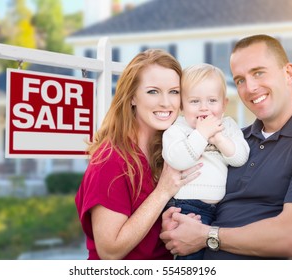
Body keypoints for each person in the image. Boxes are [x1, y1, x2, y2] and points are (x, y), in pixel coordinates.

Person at [160, 34, 292, 259]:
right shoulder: (235, 139)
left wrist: (206, 235)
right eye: (240, 80)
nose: (250, 87)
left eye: (259, 72)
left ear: (288, 73)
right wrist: (176, 222)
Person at [75, 49, 201, 260]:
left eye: (174, 91)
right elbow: (109, 250)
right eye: (153, 91)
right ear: (132, 96)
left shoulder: (172, 151)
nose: (166, 103)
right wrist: (162, 192)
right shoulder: (110, 160)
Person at [162, 63, 249, 260]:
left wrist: (218, 139)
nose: (204, 107)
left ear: (224, 104)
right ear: (182, 105)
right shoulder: (178, 129)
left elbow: (240, 157)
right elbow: (177, 159)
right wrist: (201, 134)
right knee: (192, 259)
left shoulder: (227, 126)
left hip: (221, 209)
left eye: (212, 100)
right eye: (194, 101)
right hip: (187, 207)